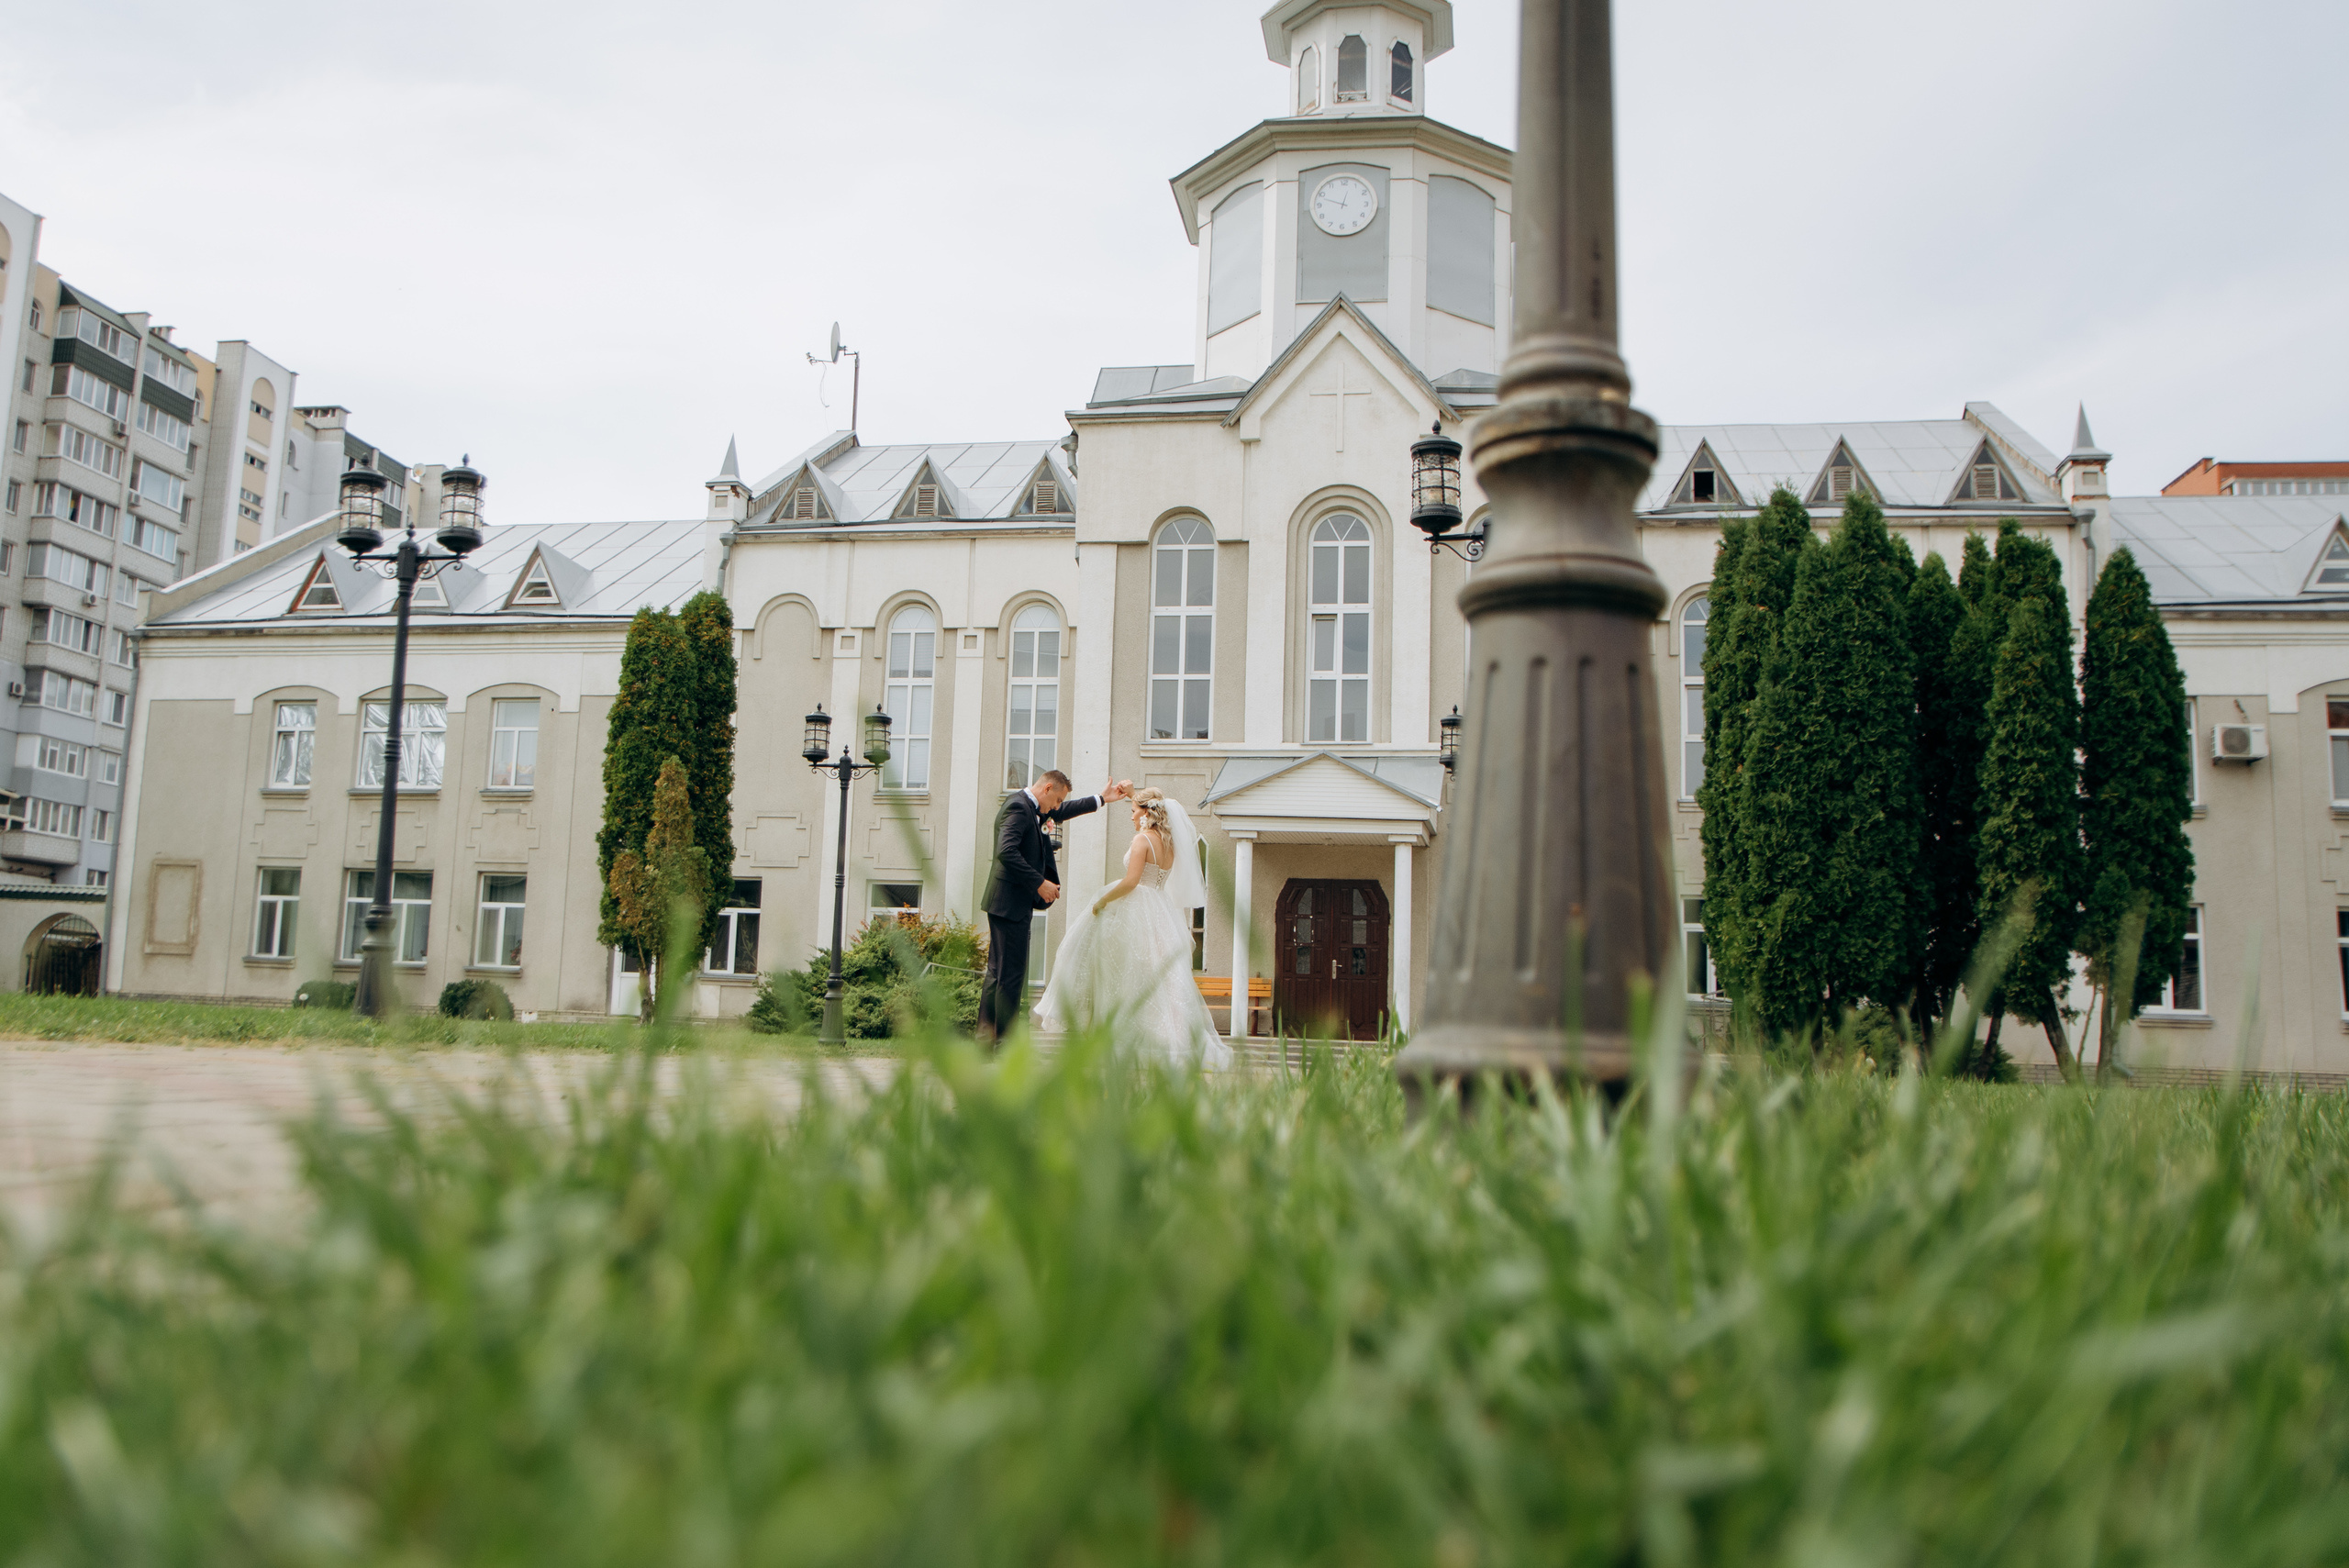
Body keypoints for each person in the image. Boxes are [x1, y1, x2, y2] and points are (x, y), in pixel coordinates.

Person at [1034, 787, 1232, 1069]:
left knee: (1122, 973)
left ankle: (1118, 1036)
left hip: (1137, 907)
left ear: (1147, 813)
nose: (1131, 817)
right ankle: (1172, 1039)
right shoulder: (1170, 844)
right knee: (1159, 978)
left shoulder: (1142, 840)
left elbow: (1130, 882)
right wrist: (1131, 795)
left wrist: (1102, 901)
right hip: (1160, 909)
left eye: (1133, 811)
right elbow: (1152, 865)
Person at [978, 769, 1129, 1044]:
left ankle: (986, 1043)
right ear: (1047, 788)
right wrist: (1040, 883)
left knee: (998, 974)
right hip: (1010, 903)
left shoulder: (1032, 808)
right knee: (1010, 977)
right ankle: (1004, 1046)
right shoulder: (1019, 808)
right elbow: (1006, 850)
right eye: (1057, 799)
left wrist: (1101, 799)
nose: (1056, 808)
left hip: (1006, 901)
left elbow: (1062, 812)